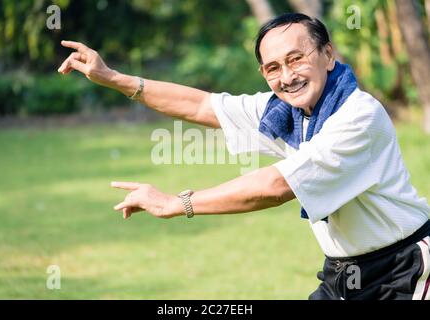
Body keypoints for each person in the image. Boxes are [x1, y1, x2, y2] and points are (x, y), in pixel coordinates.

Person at [58, 13, 430, 300]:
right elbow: (203, 105)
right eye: (273, 68)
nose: (287, 76)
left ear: (328, 55)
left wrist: (177, 203)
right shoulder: (285, 112)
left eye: (296, 59)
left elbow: (275, 186)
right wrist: (113, 78)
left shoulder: (356, 116)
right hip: (343, 271)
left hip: (403, 269)